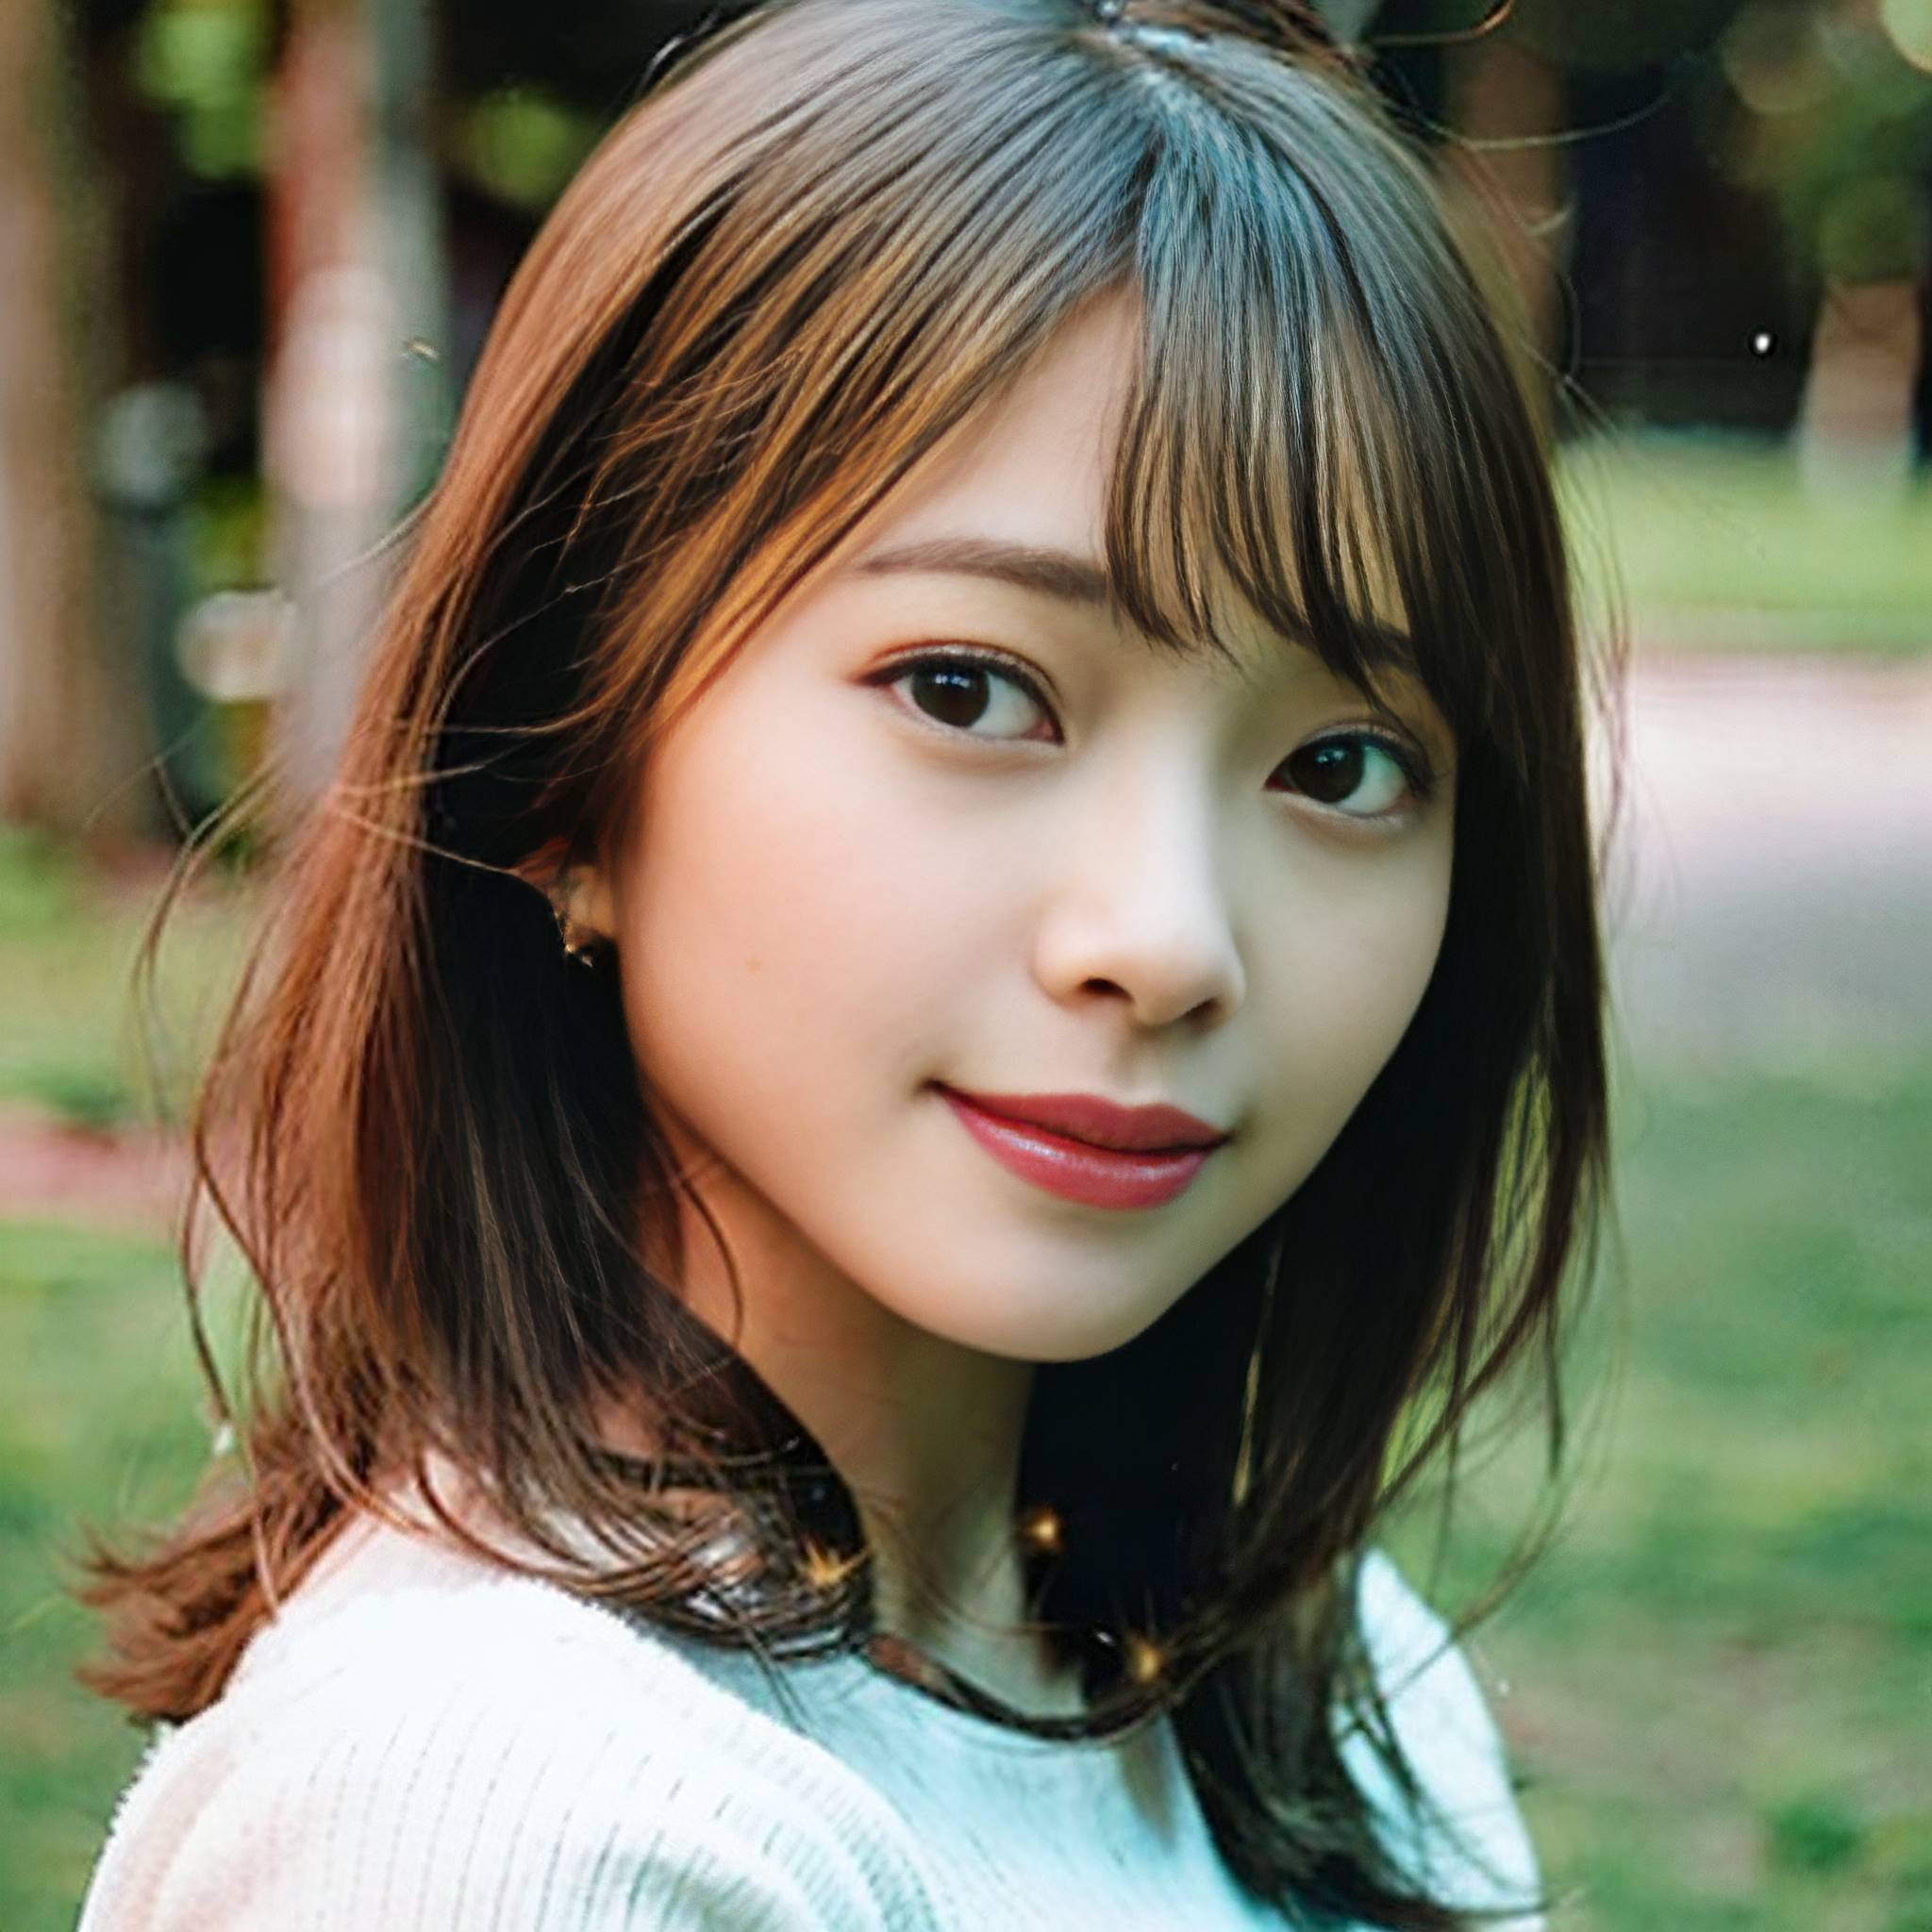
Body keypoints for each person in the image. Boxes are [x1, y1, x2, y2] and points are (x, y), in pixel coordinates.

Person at [75, 1, 1614, 1925]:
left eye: (1342, 764)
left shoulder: (1334, 1682)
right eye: (969, 691)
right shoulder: (510, 1826)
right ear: (563, 760)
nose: (1164, 940)